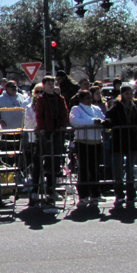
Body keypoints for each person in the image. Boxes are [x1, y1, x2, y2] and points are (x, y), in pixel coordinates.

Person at [32, 75, 69, 205]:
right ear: (44, 85)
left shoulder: (60, 99)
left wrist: (63, 125)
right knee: (40, 162)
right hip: (45, 134)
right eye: (48, 83)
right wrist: (42, 128)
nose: (51, 86)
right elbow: (39, 115)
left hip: (57, 133)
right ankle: (35, 190)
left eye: (52, 83)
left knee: (54, 163)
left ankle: (51, 189)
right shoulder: (41, 100)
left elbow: (64, 113)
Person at [69, 89, 106, 204]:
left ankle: (95, 194)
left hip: (96, 141)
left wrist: (100, 122)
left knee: (95, 169)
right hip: (83, 142)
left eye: (90, 98)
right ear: (81, 99)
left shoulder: (96, 109)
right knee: (84, 169)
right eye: (87, 98)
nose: (90, 100)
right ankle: (83, 195)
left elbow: (103, 119)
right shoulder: (76, 109)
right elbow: (75, 121)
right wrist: (92, 122)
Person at [106, 85, 137, 205]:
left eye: (131, 93)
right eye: (126, 94)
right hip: (119, 140)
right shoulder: (116, 107)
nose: (129, 96)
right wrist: (106, 122)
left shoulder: (136, 106)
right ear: (122, 95)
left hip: (133, 141)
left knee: (130, 169)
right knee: (118, 170)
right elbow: (109, 118)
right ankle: (119, 194)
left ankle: (131, 193)